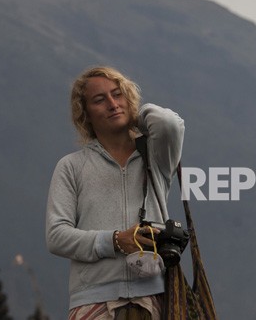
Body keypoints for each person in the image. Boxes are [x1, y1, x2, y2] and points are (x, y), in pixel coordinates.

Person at [46, 66, 185, 320]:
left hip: (153, 300)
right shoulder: (71, 167)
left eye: (118, 95)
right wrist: (115, 240)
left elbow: (169, 124)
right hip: (93, 302)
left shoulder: (156, 157)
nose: (112, 104)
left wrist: (135, 115)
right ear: (85, 114)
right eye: (100, 100)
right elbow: (56, 235)